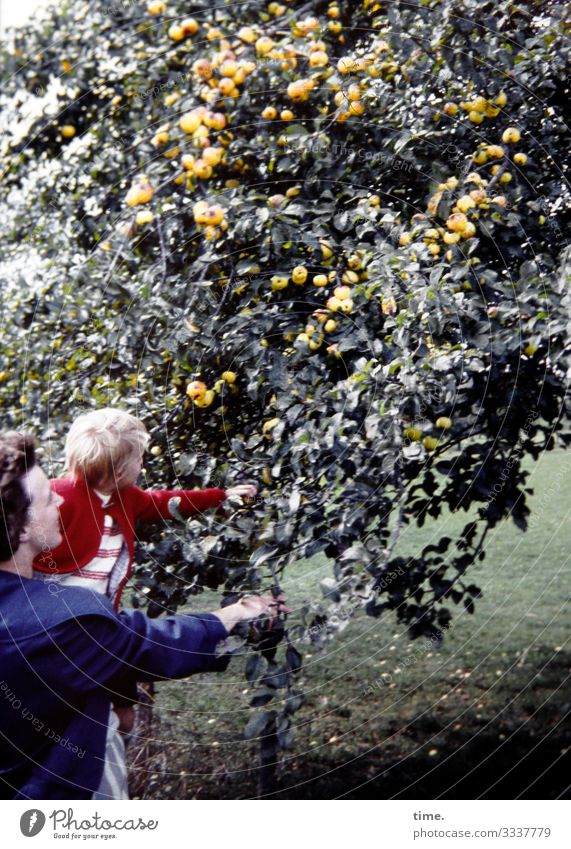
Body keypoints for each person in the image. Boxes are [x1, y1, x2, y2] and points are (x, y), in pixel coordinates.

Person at [0, 431, 287, 800]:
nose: (57, 497)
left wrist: (218, 497)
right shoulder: (63, 622)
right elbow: (151, 646)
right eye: (46, 496)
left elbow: (160, 502)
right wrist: (237, 613)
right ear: (22, 527)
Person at [31, 408, 258, 734]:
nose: (143, 464)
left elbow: (166, 502)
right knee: (72, 710)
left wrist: (221, 496)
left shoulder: (126, 496)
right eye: (139, 459)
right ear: (118, 471)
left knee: (124, 714)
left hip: (106, 623)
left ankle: (116, 755)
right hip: (57, 625)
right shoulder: (60, 498)